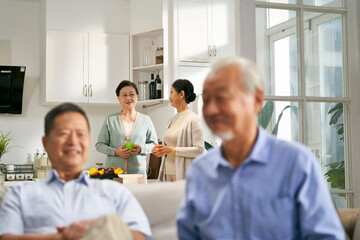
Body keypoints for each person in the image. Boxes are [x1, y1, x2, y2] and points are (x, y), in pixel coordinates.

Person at [177, 57, 345, 239]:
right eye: (207, 100)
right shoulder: (200, 171)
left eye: (222, 98)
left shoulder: (297, 163)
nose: (210, 110)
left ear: (256, 100)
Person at [0, 103, 151, 240]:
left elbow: (142, 236)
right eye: (63, 133)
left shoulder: (116, 192)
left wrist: (102, 229)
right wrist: (61, 237)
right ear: (46, 144)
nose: (73, 141)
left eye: (80, 134)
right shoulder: (19, 194)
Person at [96, 80, 157, 180]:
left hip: (138, 174)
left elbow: (154, 145)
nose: (128, 98)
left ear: (137, 97)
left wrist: (141, 149)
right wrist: (116, 152)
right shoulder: (110, 120)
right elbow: (99, 145)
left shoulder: (146, 120)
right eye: (124, 95)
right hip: (114, 173)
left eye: (132, 94)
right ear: (118, 98)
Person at [154, 79, 205, 182]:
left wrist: (173, 150)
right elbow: (169, 146)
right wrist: (163, 150)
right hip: (167, 173)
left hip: (183, 175)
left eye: (171, 92)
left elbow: (199, 150)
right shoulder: (172, 120)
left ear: (181, 94)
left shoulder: (193, 119)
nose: (169, 97)